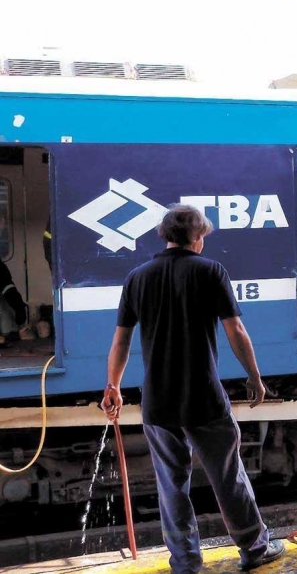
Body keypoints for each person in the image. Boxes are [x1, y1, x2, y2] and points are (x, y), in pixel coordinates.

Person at [100, 205, 285, 573]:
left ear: (164, 235)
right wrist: (254, 376)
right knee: (227, 475)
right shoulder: (211, 271)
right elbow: (236, 330)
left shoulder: (138, 277)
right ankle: (254, 548)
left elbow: (121, 340)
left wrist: (113, 386)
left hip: (158, 402)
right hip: (203, 398)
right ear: (197, 238)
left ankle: (185, 562)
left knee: (171, 485)